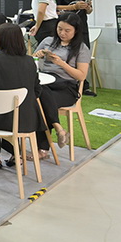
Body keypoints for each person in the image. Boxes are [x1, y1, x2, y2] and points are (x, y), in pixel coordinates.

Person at [0, 23, 43, 170]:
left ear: (4, 40)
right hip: (27, 120)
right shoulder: (30, 61)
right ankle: (14, 154)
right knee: (0, 113)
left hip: (0, 120)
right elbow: (37, 90)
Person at [33, 12, 89, 155]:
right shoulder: (48, 41)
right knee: (40, 94)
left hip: (66, 88)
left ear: (76, 31)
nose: (62, 33)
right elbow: (31, 62)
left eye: (67, 30)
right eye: (60, 29)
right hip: (45, 82)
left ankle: (42, 149)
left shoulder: (81, 48)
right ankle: (58, 128)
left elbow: (81, 75)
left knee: (39, 98)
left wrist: (61, 63)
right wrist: (37, 56)